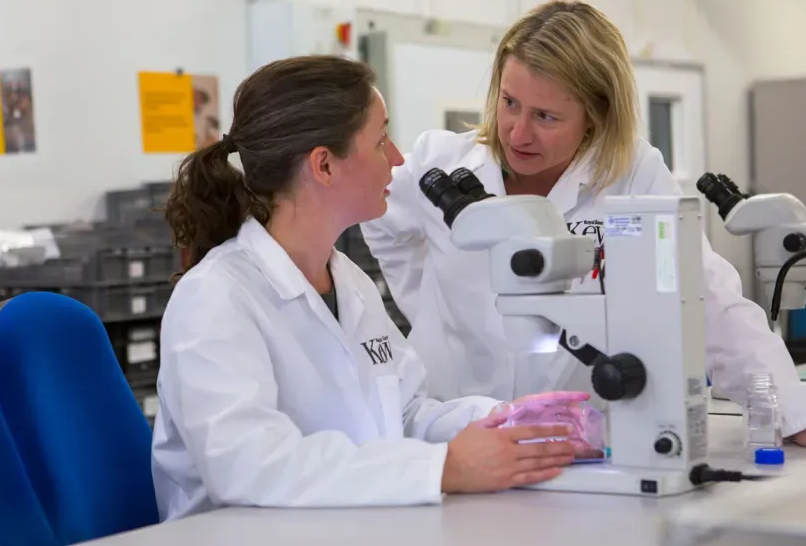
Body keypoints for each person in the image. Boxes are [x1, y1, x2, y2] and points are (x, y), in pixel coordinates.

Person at [363, 0, 806, 451]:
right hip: (457, 430)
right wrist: (429, 312)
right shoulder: (438, 163)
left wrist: (794, 411)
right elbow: (381, 228)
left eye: (546, 117)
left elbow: (703, 296)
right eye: (509, 103)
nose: (518, 132)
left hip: (578, 434)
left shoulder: (632, 174)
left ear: (596, 115)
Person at [150, 55, 590, 521]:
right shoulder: (216, 298)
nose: (398, 159)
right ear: (323, 166)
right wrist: (445, 468)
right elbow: (248, 467)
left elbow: (405, 414)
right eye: (381, 140)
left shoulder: (349, 282)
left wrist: (507, 418)